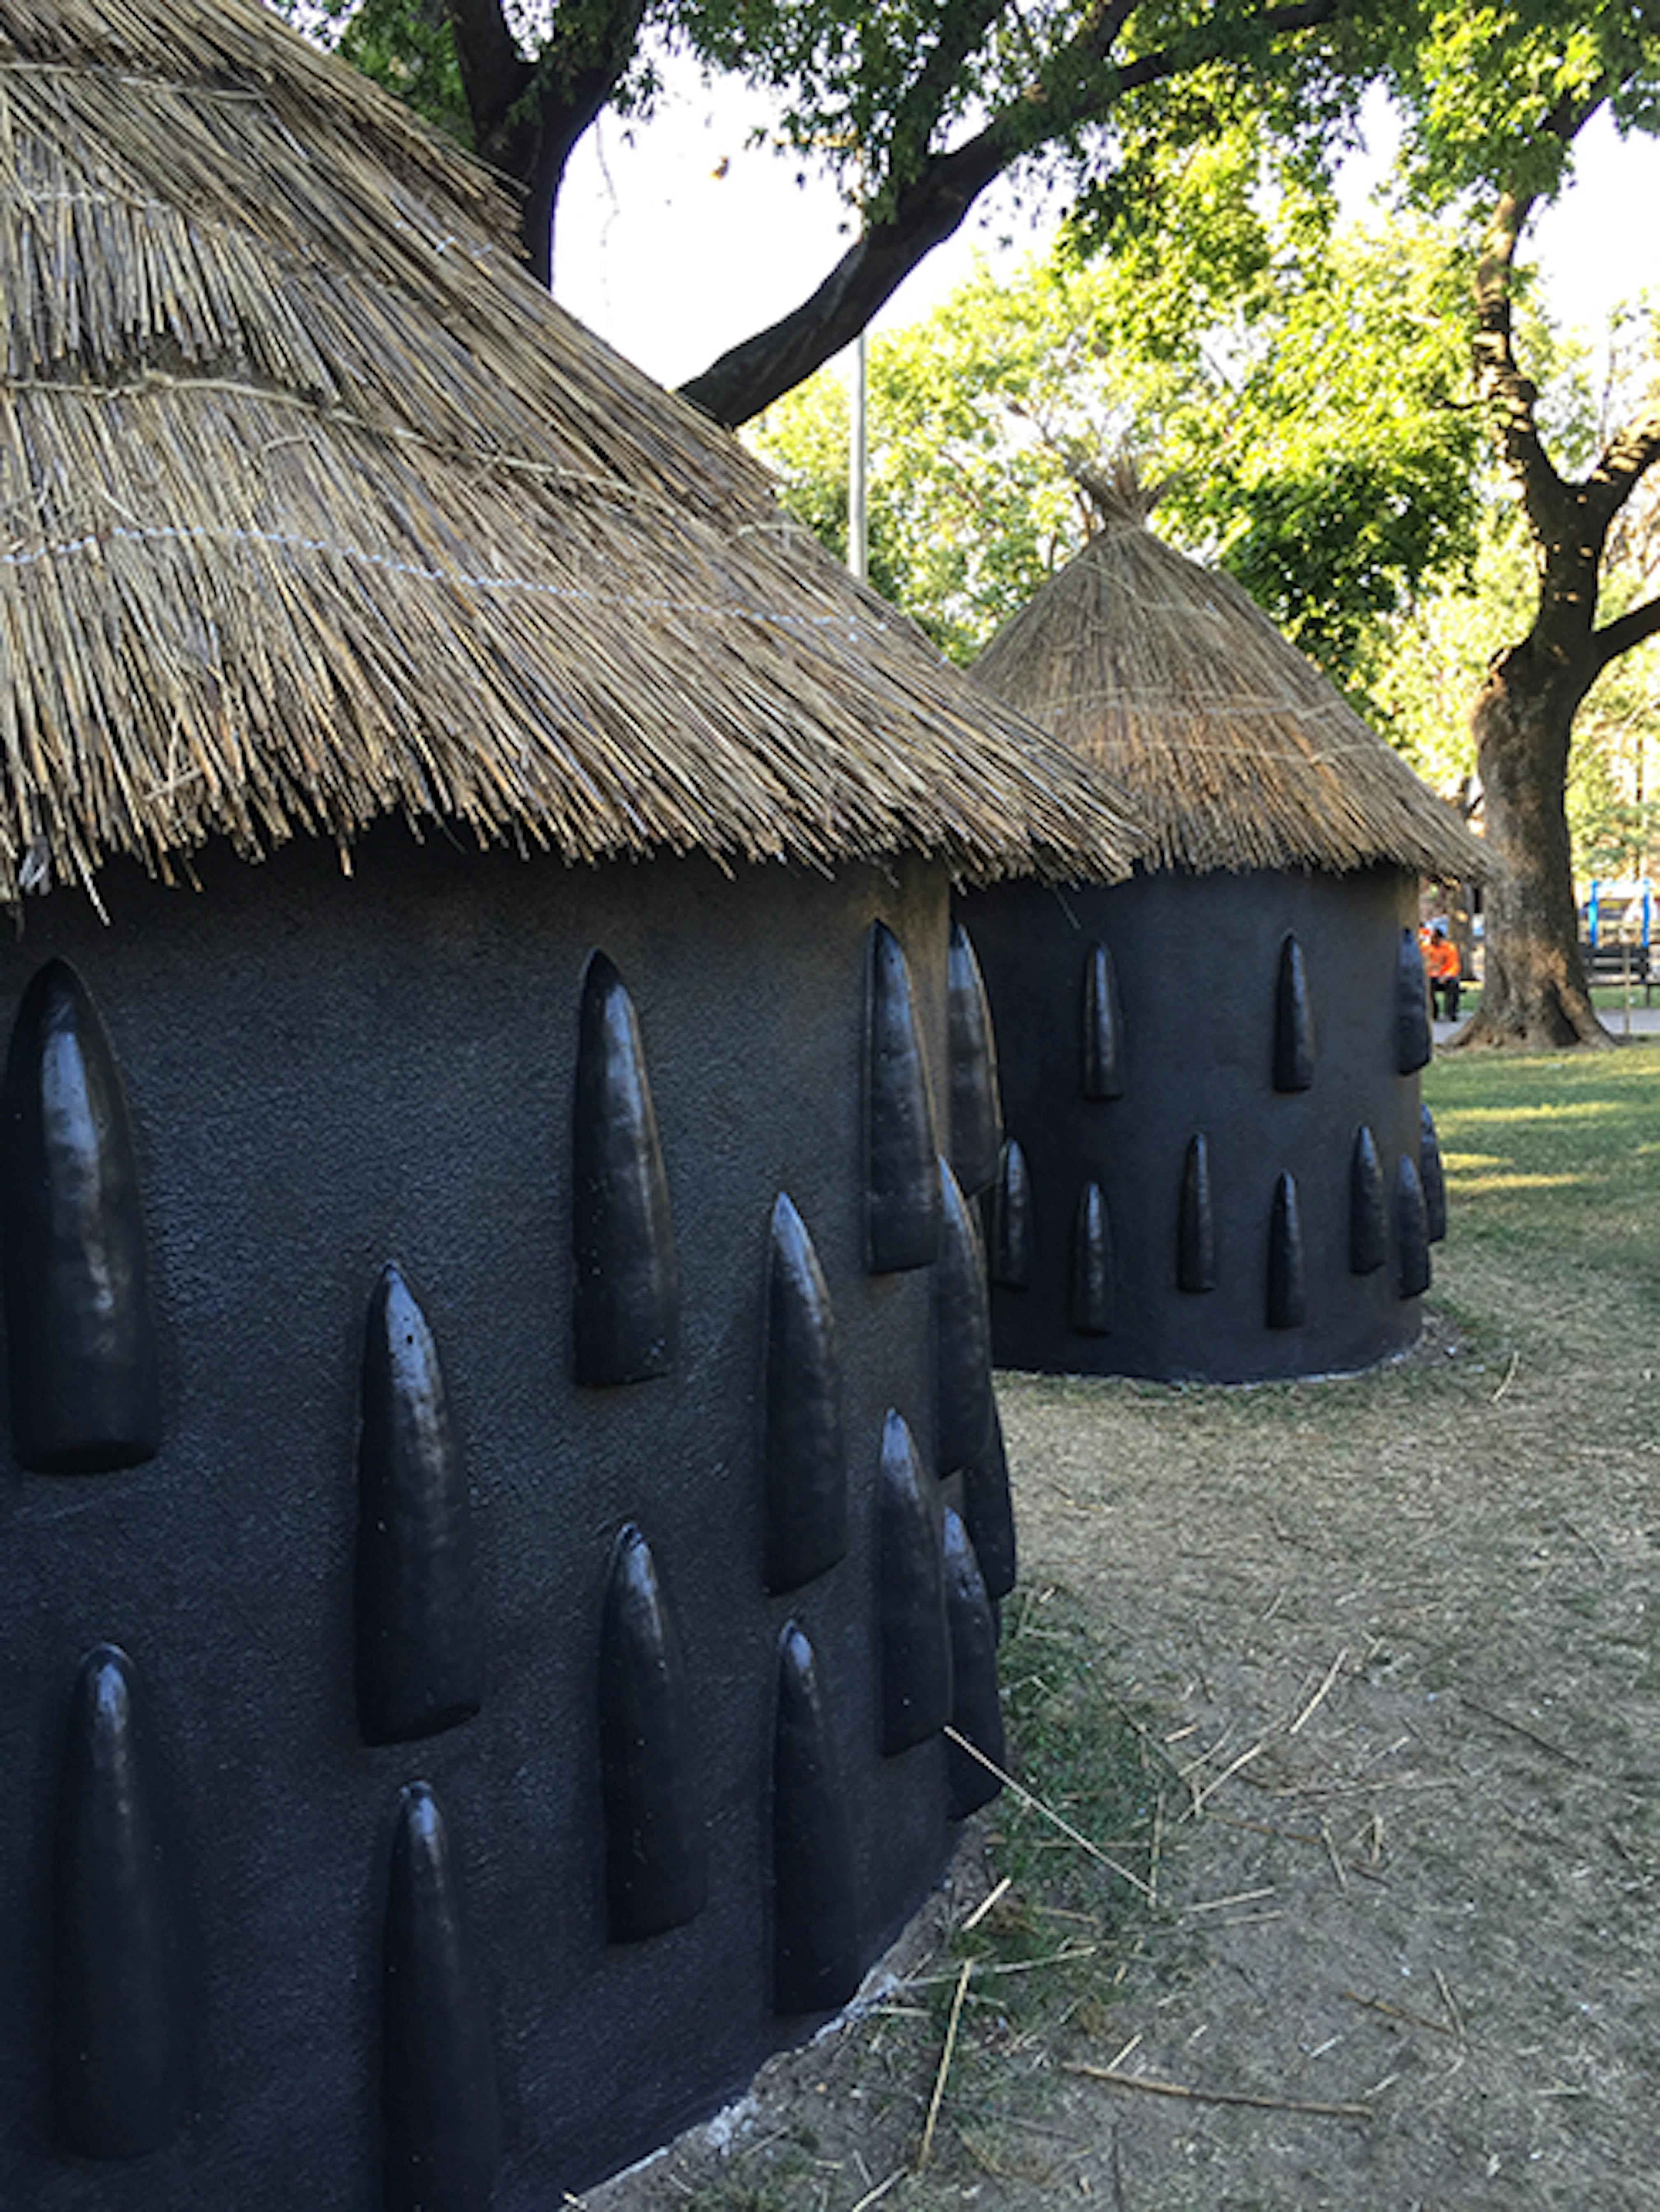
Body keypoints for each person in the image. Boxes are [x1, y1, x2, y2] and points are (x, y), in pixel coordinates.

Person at [1424, 920, 1461, 1020]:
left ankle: (1451, 1012)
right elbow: (1426, 965)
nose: (1435, 940)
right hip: (1433, 976)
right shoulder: (1428, 949)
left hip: (1446, 975)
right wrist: (1433, 973)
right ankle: (1433, 1012)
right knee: (1428, 985)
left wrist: (1447, 975)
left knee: (1454, 983)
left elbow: (1454, 965)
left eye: (1437, 938)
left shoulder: (1450, 948)